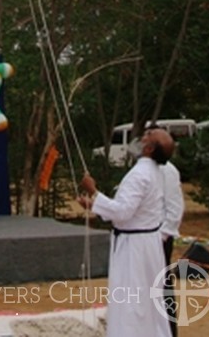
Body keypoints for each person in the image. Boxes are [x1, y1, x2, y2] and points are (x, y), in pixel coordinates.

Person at [78, 127, 174, 337]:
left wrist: (94, 191)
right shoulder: (153, 172)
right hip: (146, 243)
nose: (142, 136)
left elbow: (122, 212)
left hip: (135, 249)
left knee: (131, 303)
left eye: (148, 135)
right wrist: (93, 205)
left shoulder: (140, 174)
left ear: (149, 148)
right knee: (147, 301)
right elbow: (131, 212)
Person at [160, 157, 184, 337]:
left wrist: (162, 235)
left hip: (160, 238)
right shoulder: (144, 167)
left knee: (162, 285)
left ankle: (169, 330)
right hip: (145, 238)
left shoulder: (168, 170)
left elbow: (175, 208)